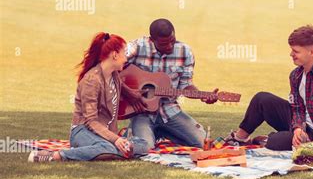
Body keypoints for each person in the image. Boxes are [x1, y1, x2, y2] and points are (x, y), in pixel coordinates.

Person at [225, 25, 313, 150]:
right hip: (302, 126)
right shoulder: (295, 75)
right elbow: (297, 107)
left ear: (312, 52)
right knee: (261, 99)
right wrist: (298, 129)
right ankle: (240, 139)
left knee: (275, 142)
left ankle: (266, 140)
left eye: (296, 51)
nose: (291, 54)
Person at [28, 32, 149, 162]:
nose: (126, 58)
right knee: (107, 148)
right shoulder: (92, 81)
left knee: (143, 144)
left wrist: (138, 94)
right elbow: (91, 121)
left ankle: (110, 150)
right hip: (83, 130)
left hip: (105, 132)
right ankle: (55, 156)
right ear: (114, 55)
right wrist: (116, 139)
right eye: (124, 53)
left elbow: (126, 91)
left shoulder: (114, 75)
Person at [126, 18, 218, 149]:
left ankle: (161, 132)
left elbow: (186, 85)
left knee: (203, 143)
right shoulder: (137, 46)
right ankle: (138, 133)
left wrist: (202, 95)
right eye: (164, 44)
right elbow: (112, 65)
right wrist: (127, 91)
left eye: (172, 41)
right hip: (141, 112)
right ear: (152, 40)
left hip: (170, 110)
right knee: (144, 148)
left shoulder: (185, 52)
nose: (169, 46)